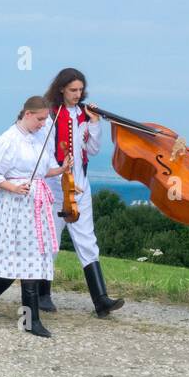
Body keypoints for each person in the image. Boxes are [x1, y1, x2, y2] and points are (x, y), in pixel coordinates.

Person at [0, 96, 72, 338]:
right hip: (14, 206)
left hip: (37, 205)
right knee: (26, 260)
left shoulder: (38, 140)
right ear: (27, 114)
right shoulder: (6, 140)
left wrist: (61, 168)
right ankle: (30, 320)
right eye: (40, 119)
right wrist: (12, 187)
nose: (42, 124)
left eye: (45, 120)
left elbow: (42, 170)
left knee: (33, 258)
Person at [41, 67, 124, 317]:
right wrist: (59, 175)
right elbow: (44, 154)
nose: (78, 94)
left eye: (80, 90)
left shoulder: (84, 116)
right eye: (73, 90)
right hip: (55, 188)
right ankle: (44, 295)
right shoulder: (50, 116)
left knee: (87, 241)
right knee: (50, 241)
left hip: (81, 186)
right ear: (61, 89)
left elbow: (93, 149)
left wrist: (95, 123)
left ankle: (101, 300)